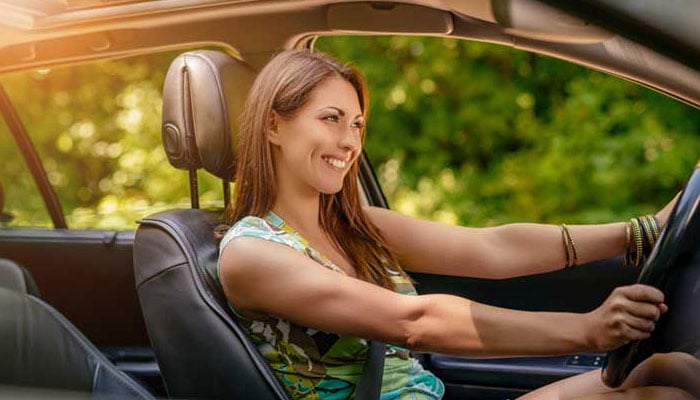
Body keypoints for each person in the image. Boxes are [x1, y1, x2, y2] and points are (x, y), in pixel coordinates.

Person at [216, 49, 699, 400]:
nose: (348, 141)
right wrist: (590, 330)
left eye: (358, 124)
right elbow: (416, 323)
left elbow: (492, 249)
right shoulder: (253, 253)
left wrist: (640, 231)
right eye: (331, 118)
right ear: (274, 126)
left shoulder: (355, 225)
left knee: (669, 369)